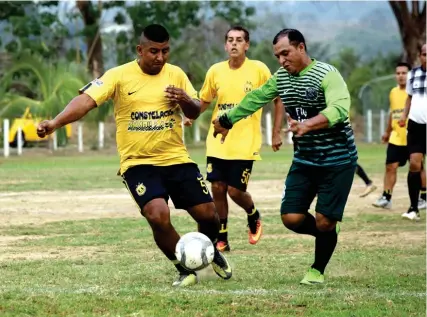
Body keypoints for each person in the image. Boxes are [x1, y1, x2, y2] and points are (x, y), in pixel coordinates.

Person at [36, 24, 232, 287]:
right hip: (138, 163)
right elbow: (85, 101)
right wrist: (55, 123)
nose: (160, 57)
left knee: (209, 215)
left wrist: (185, 98)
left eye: (165, 51)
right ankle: (185, 268)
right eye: (153, 51)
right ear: (140, 50)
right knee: (157, 215)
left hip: (176, 159)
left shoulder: (175, 74)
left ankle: (210, 252)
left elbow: (195, 110)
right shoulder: (118, 76)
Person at [213, 28, 357, 285]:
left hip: (338, 160)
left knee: (324, 220)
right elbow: (256, 98)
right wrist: (227, 119)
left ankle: (317, 269)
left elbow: (339, 108)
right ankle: (328, 231)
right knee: (291, 218)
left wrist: (309, 124)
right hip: (305, 160)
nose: (281, 60)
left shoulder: (327, 74)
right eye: (277, 56)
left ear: (301, 47)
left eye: (285, 53)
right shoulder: (281, 78)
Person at [186, 26, 282, 252]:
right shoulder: (215, 71)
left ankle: (253, 213)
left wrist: (276, 132)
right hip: (218, 140)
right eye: (230, 40)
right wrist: (190, 115)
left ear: (247, 45)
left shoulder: (258, 69)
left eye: (239, 40)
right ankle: (222, 238)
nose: (234, 44)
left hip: (245, 142)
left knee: (234, 191)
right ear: (225, 45)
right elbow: (204, 101)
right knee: (217, 188)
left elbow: (278, 99)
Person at [373, 62, 426, 210]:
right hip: (396, 136)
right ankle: (386, 197)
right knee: (390, 166)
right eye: (398, 73)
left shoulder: (416, 92)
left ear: (409, 75)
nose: (401, 76)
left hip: (412, 135)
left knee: (418, 167)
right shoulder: (393, 92)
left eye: (404, 73)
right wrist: (387, 131)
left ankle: (423, 197)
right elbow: (393, 113)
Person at [399, 44, 427, 221]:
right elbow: (409, 98)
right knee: (415, 165)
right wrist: (404, 115)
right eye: (424, 54)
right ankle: (413, 208)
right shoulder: (413, 74)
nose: (426, 57)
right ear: (419, 56)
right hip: (416, 126)